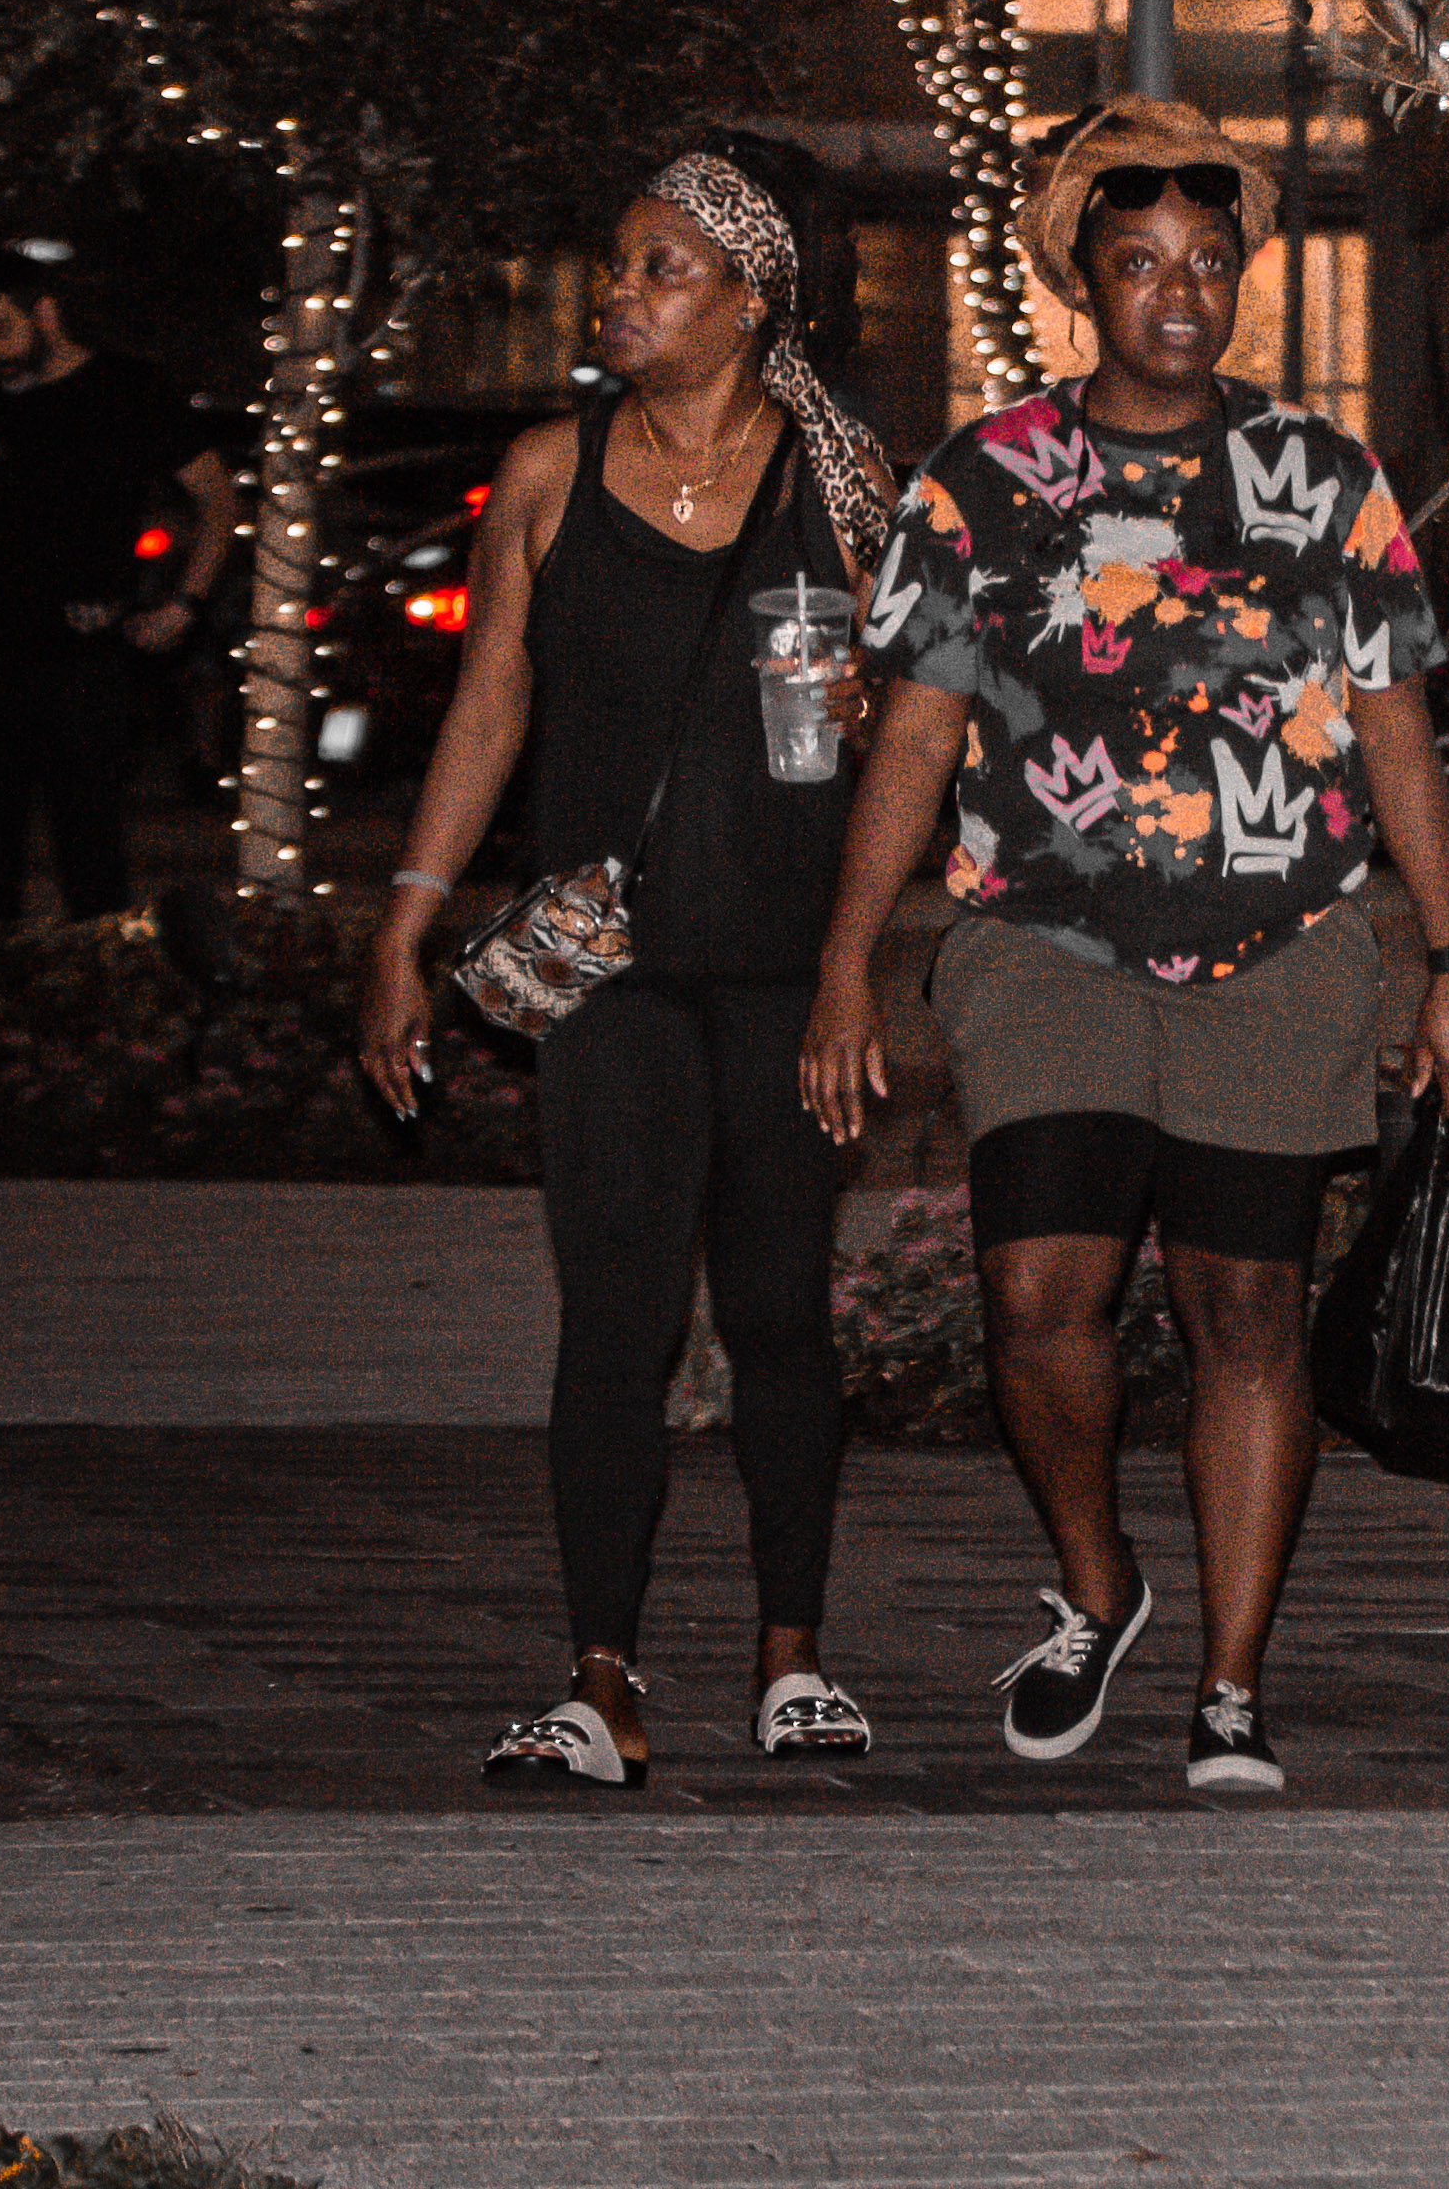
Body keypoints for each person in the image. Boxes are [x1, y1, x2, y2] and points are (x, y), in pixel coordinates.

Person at [801, 97, 1449, 1798]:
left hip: (1283, 946)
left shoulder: (1323, 479)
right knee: (1039, 1298)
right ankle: (1099, 1585)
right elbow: (913, 734)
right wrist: (845, 960)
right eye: (1140, 264)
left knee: (1244, 1306)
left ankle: (1232, 1685)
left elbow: (1397, 729)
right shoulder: (982, 483)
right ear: (1080, 285)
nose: (1180, 295)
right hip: (1045, 940)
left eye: (1207, 263)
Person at [354, 140, 904, 1792]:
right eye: (621, 263)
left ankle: (793, 1658)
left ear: (750, 299)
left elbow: (915, 729)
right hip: (606, 971)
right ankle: (600, 1680)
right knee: (615, 1316)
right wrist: (405, 923)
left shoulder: (841, 477)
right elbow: (489, 706)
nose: (621, 293)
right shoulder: (547, 471)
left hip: (784, 968)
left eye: (662, 267)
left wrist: (857, 943)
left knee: (781, 1314)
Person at [0, 251, 245, 929]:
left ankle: (97, 981)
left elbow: (217, 501)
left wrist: (185, 605)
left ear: (46, 314)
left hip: (81, 653)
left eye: (1, 330)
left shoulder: (125, 389)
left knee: (90, 853)